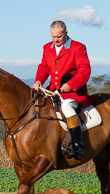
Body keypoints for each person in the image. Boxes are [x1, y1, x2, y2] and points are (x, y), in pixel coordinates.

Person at [32, 20, 92, 158]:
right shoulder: (47, 48)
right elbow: (44, 67)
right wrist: (38, 80)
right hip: (53, 89)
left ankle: (77, 146)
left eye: (59, 37)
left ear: (66, 33)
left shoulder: (78, 47)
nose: (56, 40)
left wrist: (70, 84)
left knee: (66, 107)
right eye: (53, 37)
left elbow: (85, 71)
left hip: (74, 91)